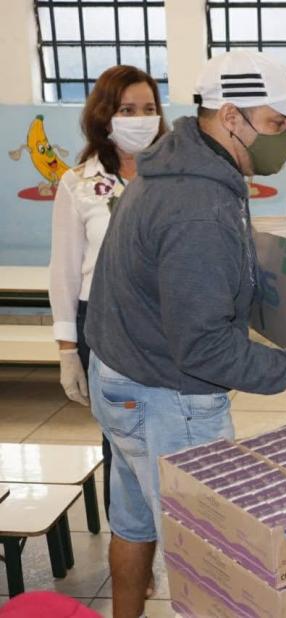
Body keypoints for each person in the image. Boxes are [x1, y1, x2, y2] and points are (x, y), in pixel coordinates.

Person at [84, 50, 286, 618]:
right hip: (167, 398)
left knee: (134, 523)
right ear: (232, 116)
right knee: (205, 559)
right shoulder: (198, 204)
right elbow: (203, 347)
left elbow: (210, 288)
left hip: (121, 377)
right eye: (277, 123)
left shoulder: (179, 165)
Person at [49, 65, 168, 525]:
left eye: (149, 110)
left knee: (169, 436)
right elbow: (63, 270)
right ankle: (132, 542)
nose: (140, 119)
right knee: (120, 440)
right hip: (99, 324)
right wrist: (66, 350)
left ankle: (174, 540)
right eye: (127, 109)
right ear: (104, 116)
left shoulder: (173, 178)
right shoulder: (78, 183)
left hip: (163, 323)